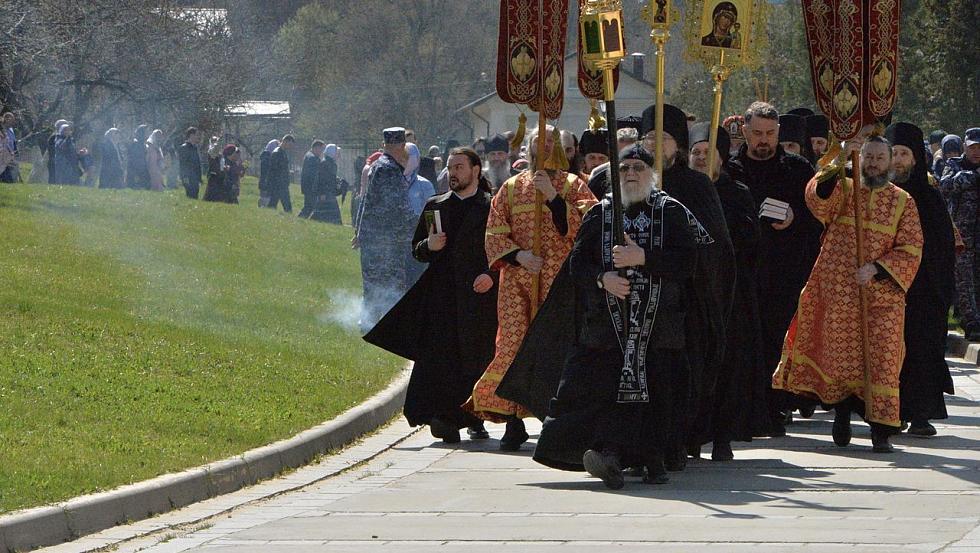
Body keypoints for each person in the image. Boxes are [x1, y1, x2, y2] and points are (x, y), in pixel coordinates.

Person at [534, 144, 709, 488]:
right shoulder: (601, 214)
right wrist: (604, 279)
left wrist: (642, 258)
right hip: (607, 325)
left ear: (651, 174)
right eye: (625, 168)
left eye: (638, 169)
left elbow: (688, 263)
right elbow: (578, 263)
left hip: (659, 326)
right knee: (596, 388)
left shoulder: (671, 211)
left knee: (656, 391)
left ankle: (651, 457)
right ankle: (608, 455)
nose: (631, 174)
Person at [774, 135, 923, 453]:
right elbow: (816, 200)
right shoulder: (845, 187)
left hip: (881, 295)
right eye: (868, 157)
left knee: (882, 360)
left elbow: (912, 247)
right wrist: (840, 160)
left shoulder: (903, 201)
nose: (873, 163)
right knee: (840, 358)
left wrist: (878, 268)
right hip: (838, 289)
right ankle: (842, 414)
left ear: (889, 162)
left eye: (880, 158)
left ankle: (881, 431)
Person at [464, 124, 597, 451]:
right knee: (512, 346)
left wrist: (554, 199)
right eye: (540, 141)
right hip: (518, 282)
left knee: (558, 350)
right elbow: (494, 233)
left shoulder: (574, 185)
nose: (545, 146)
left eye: (552, 141)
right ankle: (513, 422)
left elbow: (590, 225)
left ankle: (559, 421)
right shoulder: (510, 188)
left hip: (560, 283)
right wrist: (520, 255)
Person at [364, 147, 497, 444]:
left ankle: (476, 416)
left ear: (475, 170)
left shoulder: (492, 207)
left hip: (479, 298)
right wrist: (430, 245)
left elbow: (502, 249)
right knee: (442, 360)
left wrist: (491, 275)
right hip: (443, 299)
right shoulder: (435, 206)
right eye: (451, 167)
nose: (454, 173)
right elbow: (417, 249)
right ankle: (444, 416)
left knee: (476, 358)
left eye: (460, 167)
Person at [639, 103, 735, 469]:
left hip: (684, 299)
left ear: (677, 145)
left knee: (678, 372)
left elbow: (717, 246)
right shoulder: (630, 177)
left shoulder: (695, 184)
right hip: (635, 295)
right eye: (648, 138)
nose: (653, 146)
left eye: (661, 139)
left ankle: (677, 440)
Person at [726, 101, 823, 434]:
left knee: (778, 340)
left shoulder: (797, 170)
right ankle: (744, 409)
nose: (763, 140)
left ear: (778, 133)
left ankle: (778, 406)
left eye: (769, 133)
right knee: (743, 342)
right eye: (757, 134)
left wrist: (795, 218)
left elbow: (819, 219)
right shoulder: (730, 168)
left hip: (783, 273)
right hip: (741, 271)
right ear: (745, 132)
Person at [688, 123, 771, 457]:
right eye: (696, 152)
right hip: (691, 294)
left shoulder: (737, 193)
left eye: (708, 153)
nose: (701, 158)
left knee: (727, 369)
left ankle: (723, 436)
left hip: (729, 295)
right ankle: (690, 437)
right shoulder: (677, 189)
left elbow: (752, 244)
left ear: (722, 158)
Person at [885, 122, 956, 436]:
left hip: (923, 290)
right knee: (888, 352)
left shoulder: (930, 196)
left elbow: (943, 248)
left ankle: (921, 414)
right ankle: (887, 413)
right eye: (894, 153)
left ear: (916, 158)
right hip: (886, 286)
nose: (899, 160)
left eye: (904, 153)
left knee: (922, 350)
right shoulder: (878, 196)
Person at [356, 127, 416, 331]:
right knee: (390, 287)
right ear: (400, 146)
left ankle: (370, 326)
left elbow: (365, 202)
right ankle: (387, 330)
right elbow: (398, 208)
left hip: (375, 238)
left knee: (373, 287)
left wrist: (359, 231)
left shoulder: (378, 165)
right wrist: (422, 226)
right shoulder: (390, 169)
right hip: (387, 241)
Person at [941, 128, 980, 339]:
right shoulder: (954, 165)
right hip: (961, 236)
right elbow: (945, 186)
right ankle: (971, 322)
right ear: (965, 146)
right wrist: (972, 176)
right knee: (964, 280)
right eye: (973, 147)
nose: (976, 152)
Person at [403, 143, 435, 285]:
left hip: (417, 240)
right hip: (397, 241)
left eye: (408, 157)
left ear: (416, 160)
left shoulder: (424, 185)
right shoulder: (391, 183)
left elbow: (431, 215)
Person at [311, 143, 343, 224]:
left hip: (329, 191)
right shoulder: (325, 163)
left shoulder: (331, 163)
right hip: (325, 192)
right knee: (324, 211)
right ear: (332, 153)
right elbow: (321, 179)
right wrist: (322, 193)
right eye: (336, 153)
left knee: (328, 212)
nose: (338, 155)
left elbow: (330, 177)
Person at [267, 135, 295, 212]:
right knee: (287, 206)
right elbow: (274, 170)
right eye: (290, 144)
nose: (290, 147)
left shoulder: (283, 152)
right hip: (278, 184)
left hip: (281, 183)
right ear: (285, 141)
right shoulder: (277, 153)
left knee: (273, 204)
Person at [299, 140, 327, 218]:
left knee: (309, 207)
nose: (322, 152)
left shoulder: (309, 155)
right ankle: (300, 219)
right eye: (321, 149)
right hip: (311, 187)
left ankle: (300, 220)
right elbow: (314, 175)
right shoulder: (313, 158)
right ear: (316, 148)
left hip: (308, 186)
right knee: (309, 207)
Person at [178, 127, 203, 199]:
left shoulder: (195, 147)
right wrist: (184, 177)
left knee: (195, 196)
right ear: (191, 135)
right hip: (188, 177)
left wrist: (199, 177)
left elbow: (197, 163)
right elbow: (183, 164)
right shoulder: (183, 148)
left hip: (195, 177)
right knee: (190, 197)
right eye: (197, 134)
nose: (198, 136)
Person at [126, 125, 150, 190]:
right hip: (138, 174)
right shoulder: (136, 144)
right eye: (146, 131)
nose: (148, 133)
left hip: (143, 172)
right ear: (142, 133)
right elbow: (135, 161)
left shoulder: (143, 144)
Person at [257, 139, 279, 207]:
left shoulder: (266, 156)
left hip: (265, 182)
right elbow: (266, 172)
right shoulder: (267, 157)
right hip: (266, 182)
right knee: (265, 201)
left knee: (266, 199)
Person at [0, 112, 18, 183]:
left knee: (8, 170)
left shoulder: (11, 130)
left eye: (12, 119)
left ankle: (8, 181)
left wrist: (14, 151)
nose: (11, 122)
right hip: (3, 154)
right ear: (5, 120)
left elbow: (13, 142)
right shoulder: (2, 130)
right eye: (9, 119)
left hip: (10, 154)